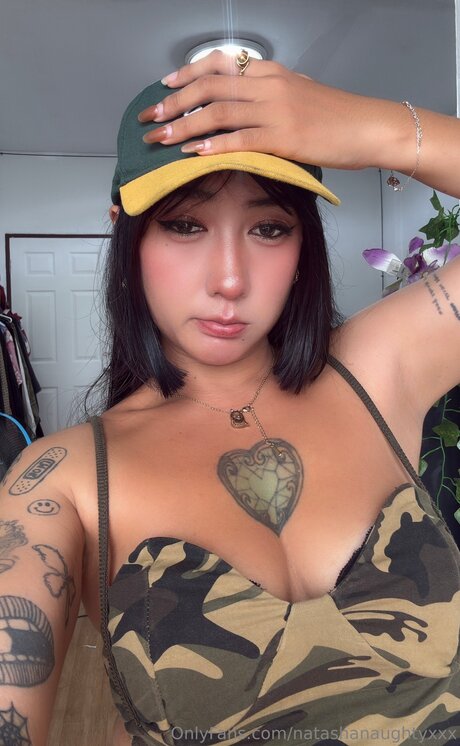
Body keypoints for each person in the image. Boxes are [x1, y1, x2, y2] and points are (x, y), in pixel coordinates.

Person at [0, 50, 459, 746]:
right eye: (185, 225)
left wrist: (377, 130)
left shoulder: (378, 369)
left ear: (304, 244)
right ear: (126, 231)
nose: (230, 280)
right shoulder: (63, 482)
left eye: (269, 228)